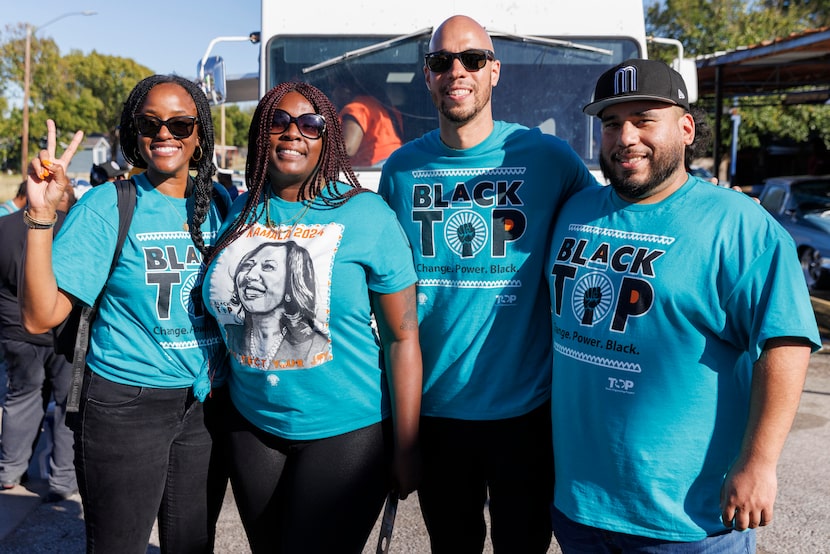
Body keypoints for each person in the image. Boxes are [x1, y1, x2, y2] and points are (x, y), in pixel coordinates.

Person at [546, 58, 820, 552]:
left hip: (688, 522)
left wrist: (758, 462)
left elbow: (786, 340)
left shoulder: (738, 225)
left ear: (686, 128)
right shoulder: (576, 210)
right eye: (611, 124)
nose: (626, 136)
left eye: (644, 120)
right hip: (580, 508)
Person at [378, 15, 598, 553]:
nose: (457, 71)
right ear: (427, 76)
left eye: (472, 59)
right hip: (435, 413)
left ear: (494, 71)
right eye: (441, 62)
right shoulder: (401, 169)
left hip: (525, 415)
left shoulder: (548, 158)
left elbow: (608, 219)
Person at [201, 81, 422, 553]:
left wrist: (406, 446)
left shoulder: (366, 213)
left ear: (329, 138)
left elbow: (402, 339)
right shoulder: (240, 210)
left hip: (345, 431)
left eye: (310, 124)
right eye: (277, 122)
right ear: (262, 135)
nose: (292, 133)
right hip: (252, 426)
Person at [19, 74, 231, 553]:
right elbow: (39, 317)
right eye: (149, 123)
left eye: (180, 124)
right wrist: (40, 216)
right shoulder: (109, 205)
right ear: (133, 132)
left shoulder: (219, 204)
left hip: (206, 406)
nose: (164, 135)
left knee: (193, 545)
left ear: (200, 136)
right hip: (125, 407)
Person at [0, 186, 76, 501]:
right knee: (65, 405)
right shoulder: (71, 226)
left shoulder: (3, 226)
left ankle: (9, 471)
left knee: (20, 399)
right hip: (60, 330)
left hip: (15, 330)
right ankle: (62, 480)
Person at [331, 75, 404, 167]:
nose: (333, 94)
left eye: (335, 88)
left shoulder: (356, 108)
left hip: (373, 166)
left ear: (347, 89)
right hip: (397, 161)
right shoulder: (386, 108)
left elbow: (348, 149)